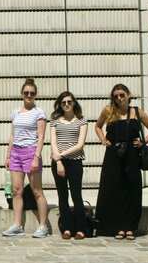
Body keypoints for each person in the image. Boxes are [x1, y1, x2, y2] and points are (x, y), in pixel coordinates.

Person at [94, 84, 148, 240]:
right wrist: (102, 139)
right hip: (113, 156)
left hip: (132, 156)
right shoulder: (108, 110)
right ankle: (117, 226)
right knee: (114, 189)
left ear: (129, 95)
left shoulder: (137, 112)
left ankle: (130, 227)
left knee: (132, 189)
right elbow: (98, 126)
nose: (119, 98)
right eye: (116, 96)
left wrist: (143, 141)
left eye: (121, 95)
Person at [2, 78, 49, 238]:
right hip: (16, 152)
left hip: (31, 152)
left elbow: (41, 137)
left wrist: (36, 156)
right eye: (26, 93)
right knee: (16, 190)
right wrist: (8, 155)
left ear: (35, 95)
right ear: (22, 94)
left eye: (32, 93)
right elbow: (12, 135)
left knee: (36, 190)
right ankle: (17, 225)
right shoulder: (15, 112)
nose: (29, 95)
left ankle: (43, 226)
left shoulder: (39, 113)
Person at [49, 91, 89, 240]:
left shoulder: (81, 121)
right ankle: (66, 227)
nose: (66, 104)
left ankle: (80, 228)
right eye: (63, 102)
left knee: (76, 195)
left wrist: (62, 155)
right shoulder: (54, 122)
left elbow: (80, 144)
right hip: (58, 162)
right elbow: (53, 142)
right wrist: (58, 161)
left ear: (74, 103)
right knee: (62, 195)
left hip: (74, 161)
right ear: (60, 105)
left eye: (69, 102)